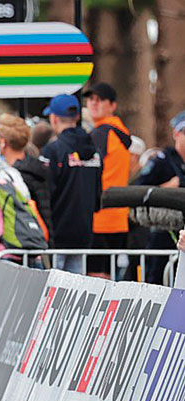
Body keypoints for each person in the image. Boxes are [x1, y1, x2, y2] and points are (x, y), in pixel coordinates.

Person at [40, 94, 102, 273]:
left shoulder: (52, 150)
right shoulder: (95, 151)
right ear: (77, 117)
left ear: (54, 118)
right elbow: (98, 193)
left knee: (53, 292)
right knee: (75, 292)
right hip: (84, 232)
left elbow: (45, 192)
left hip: (56, 234)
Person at [84, 83, 132, 278]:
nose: (94, 104)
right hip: (119, 217)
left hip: (100, 218)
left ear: (112, 105)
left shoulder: (100, 134)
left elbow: (91, 173)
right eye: (91, 99)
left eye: (100, 99)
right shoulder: (121, 133)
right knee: (109, 274)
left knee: (96, 276)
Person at [132, 110, 185, 283]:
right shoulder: (162, 160)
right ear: (176, 133)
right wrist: (166, 188)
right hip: (164, 231)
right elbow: (137, 190)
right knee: (157, 278)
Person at [0, 114, 53, 235]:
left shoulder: (14, 176)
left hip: (26, 239)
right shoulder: (40, 167)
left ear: (3, 142)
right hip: (43, 236)